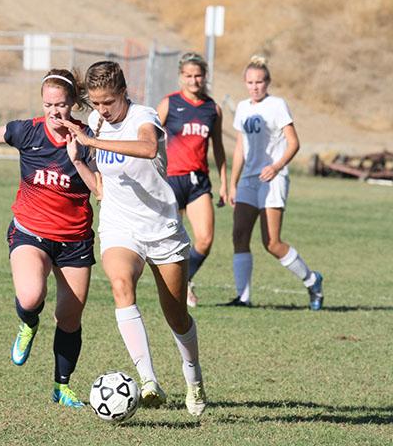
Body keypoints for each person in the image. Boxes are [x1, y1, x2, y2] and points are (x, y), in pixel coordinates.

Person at [0, 69, 99, 409]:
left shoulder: (87, 138)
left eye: (61, 105)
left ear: (73, 104)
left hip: (75, 240)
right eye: (48, 104)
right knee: (30, 296)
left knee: (69, 319)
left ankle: (62, 386)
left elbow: (99, 189)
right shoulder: (27, 131)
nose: (54, 112)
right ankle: (28, 323)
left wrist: (78, 159)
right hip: (31, 231)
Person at [63, 60, 207, 417]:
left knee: (176, 317)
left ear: (123, 93)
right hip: (119, 226)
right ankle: (147, 382)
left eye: (108, 102)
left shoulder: (143, 116)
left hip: (161, 228)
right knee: (120, 283)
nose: (101, 110)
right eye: (96, 103)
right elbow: (101, 188)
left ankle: (194, 379)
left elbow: (147, 148)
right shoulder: (96, 122)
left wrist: (92, 140)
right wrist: (80, 160)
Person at [227, 55, 323, 310]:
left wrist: (276, 166)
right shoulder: (243, 107)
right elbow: (239, 148)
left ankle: (312, 280)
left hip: (274, 177)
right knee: (239, 235)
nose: (255, 86)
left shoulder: (277, 105)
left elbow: (294, 143)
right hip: (249, 179)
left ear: (267, 82)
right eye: (250, 82)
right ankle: (243, 298)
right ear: (245, 83)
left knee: (271, 243)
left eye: (259, 82)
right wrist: (232, 183)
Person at [157, 52, 227, 308]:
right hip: (170, 180)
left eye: (198, 75)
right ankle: (173, 288)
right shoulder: (169, 103)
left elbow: (218, 147)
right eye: (188, 76)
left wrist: (226, 183)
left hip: (199, 182)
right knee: (170, 241)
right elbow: (148, 136)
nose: (193, 80)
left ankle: (184, 280)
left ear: (205, 76)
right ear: (180, 77)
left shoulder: (212, 108)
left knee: (205, 239)